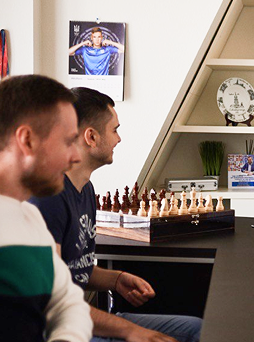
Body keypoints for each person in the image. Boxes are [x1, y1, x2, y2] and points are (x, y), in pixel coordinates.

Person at [29, 87, 202, 342]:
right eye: (115, 130)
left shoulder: (85, 188)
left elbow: (75, 268)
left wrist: (116, 279)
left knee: (196, 329)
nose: (118, 139)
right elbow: (52, 301)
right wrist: (132, 331)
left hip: (78, 320)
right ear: (91, 137)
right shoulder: (47, 199)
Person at [0, 75, 92, 341]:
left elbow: (68, 303)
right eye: (67, 142)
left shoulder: (30, 218)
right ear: (27, 140)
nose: (75, 157)